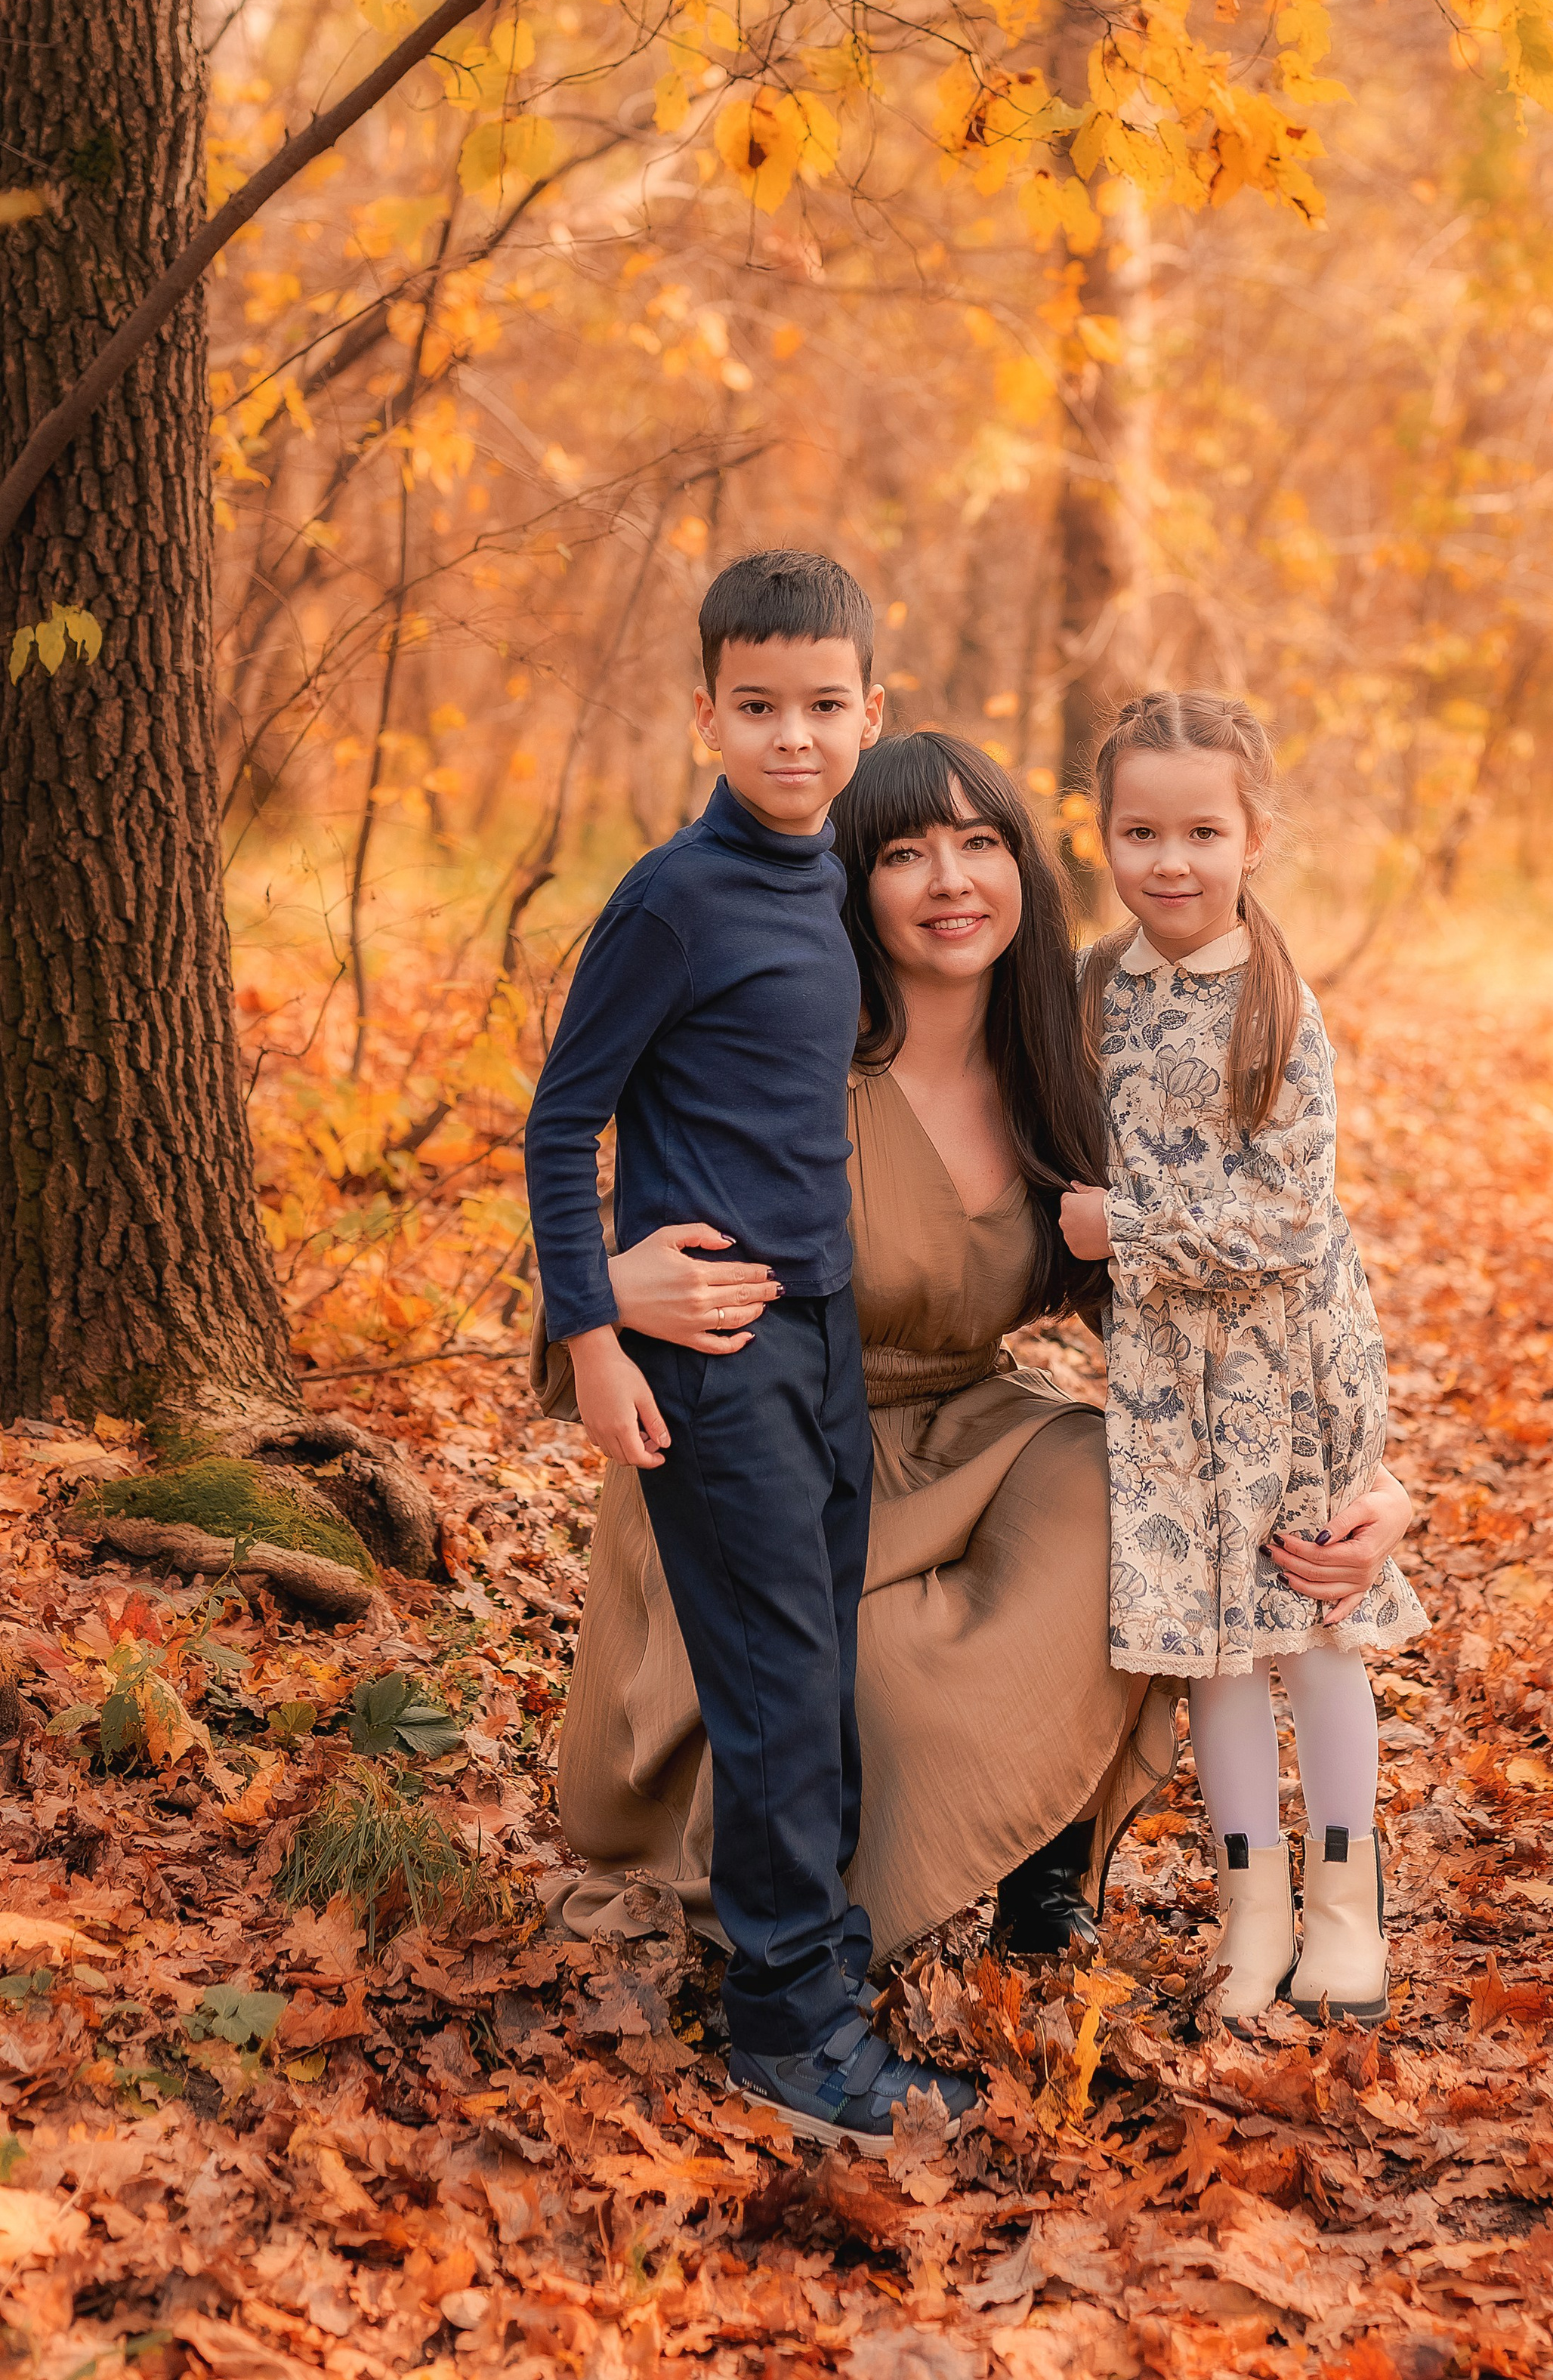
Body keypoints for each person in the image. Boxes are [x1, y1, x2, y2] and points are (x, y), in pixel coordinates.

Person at [539, 732, 1178, 1988]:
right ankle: (811, 1941)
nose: (950, 880)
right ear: (851, 882)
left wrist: (1342, 1463)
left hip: (968, 1422)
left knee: (1135, 1483)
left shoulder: (1064, 1062)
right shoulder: (795, 1062)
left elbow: (1220, 1275)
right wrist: (609, 1288)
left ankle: (1050, 1881)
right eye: (904, 852)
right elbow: (581, 1228)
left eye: (980, 843)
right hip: (772, 1438)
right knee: (873, 1691)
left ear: (1023, 869)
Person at [522, 551, 977, 2154]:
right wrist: (594, 1327)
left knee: (812, 1674)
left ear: (869, 708)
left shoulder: (828, 877)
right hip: (713, 1358)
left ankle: (807, 1969)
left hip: (822, 1339)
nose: (794, 738)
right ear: (704, 709)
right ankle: (789, 2040)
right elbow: (562, 1116)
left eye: (824, 706)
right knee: (778, 1686)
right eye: (759, 707)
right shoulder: (672, 896)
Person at [1058, 691, 1426, 2027]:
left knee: (1311, 1627)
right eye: (1141, 830)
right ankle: (1250, 1915)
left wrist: (1127, 1230)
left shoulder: (1279, 1007)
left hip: (1288, 1366)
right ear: (1102, 834)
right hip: (1161, 1378)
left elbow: (1286, 1219)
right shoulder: (1096, 988)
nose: (1170, 860)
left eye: (1202, 830)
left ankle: (1345, 1913)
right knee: (1210, 1650)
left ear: (1253, 835)